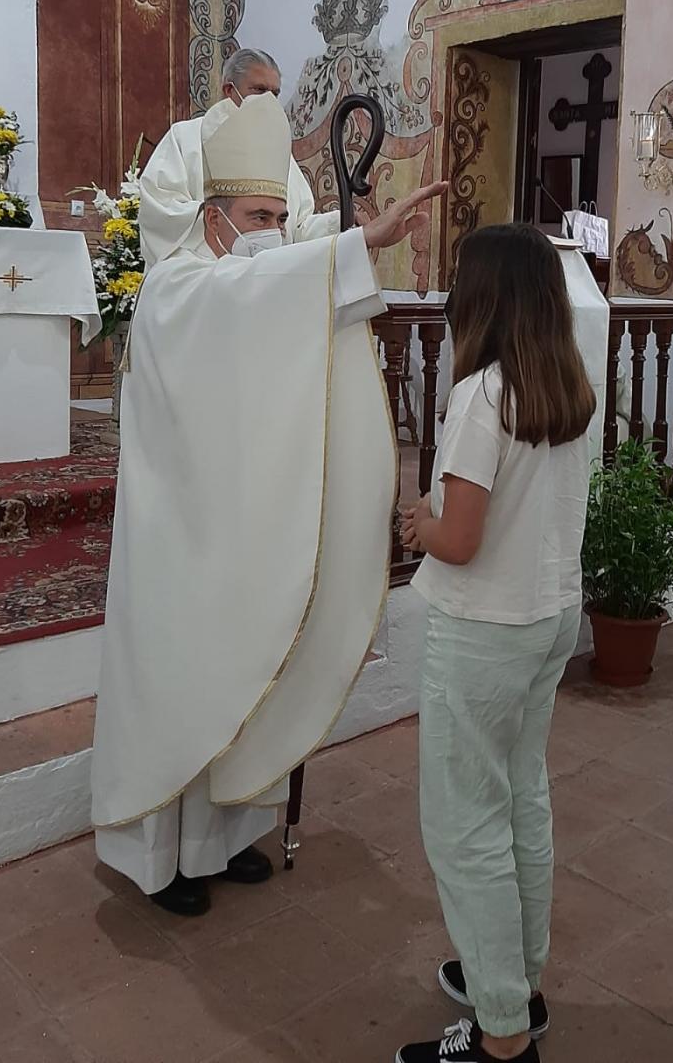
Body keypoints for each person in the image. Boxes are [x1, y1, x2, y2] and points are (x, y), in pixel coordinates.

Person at [91, 89, 445, 916]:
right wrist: (355, 249)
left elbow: (278, 284)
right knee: (190, 681)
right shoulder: (178, 290)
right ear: (212, 216)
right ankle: (165, 860)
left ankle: (220, 843)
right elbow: (255, 294)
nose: (271, 231)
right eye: (256, 214)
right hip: (182, 536)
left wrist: (348, 246)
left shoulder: (240, 271)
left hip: (238, 522)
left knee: (246, 669)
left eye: (281, 216)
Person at [397, 224, 598, 1063]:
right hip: (548, 618)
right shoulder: (564, 385)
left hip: (483, 628)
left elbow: (462, 539)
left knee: (463, 825)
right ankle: (516, 982)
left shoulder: (482, 394)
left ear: (482, 297)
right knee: (520, 799)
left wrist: (418, 523)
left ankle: (503, 1039)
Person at [137, 48, 336, 269]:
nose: (268, 102)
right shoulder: (185, 138)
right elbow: (160, 211)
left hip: (265, 281)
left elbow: (297, 228)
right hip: (204, 280)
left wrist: (339, 224)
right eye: (259, 90)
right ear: (229, 90)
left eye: (275, 94)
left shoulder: (276, 150)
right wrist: (226, 227)